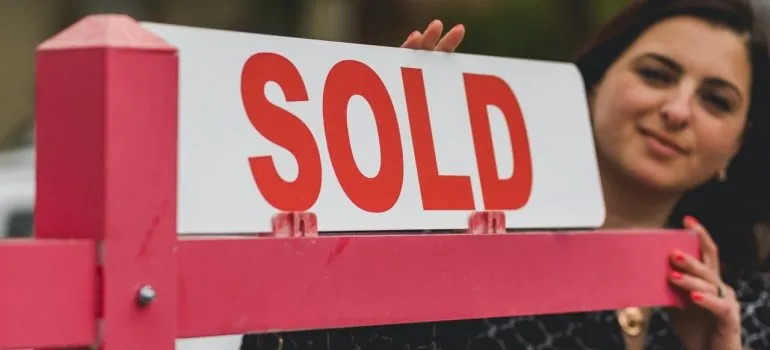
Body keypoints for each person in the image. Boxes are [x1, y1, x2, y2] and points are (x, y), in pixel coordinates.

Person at [241, 0, 770, 348]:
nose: (678, 110)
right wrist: (374, 176)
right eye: (656, 74)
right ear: (591, 83)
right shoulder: (458, 244)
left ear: (737, 146)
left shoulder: (749, 309)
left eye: (715, 101)